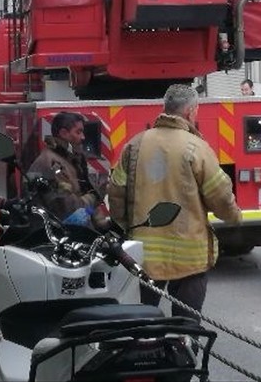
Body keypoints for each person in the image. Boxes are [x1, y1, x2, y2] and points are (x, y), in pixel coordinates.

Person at [108, 84, 241, 318]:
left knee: (142, 322)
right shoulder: (197, 148)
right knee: (185, 326)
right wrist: (234, 216)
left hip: (143, 256)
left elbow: (116, 191)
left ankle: (147, 352)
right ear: (190, 112)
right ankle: (181, 350)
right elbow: (219, 194)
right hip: (190, 258)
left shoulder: (135, 145)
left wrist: (125, 226)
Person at [29, 111, 107, 227]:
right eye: (78, 132)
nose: (83, 137)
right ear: (63, 133)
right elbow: (70, 210)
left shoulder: (69, 161)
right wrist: (95, 197)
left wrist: (101, 224)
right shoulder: (52, 164)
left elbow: (85, 209)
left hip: (70, 233)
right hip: (57, 236)